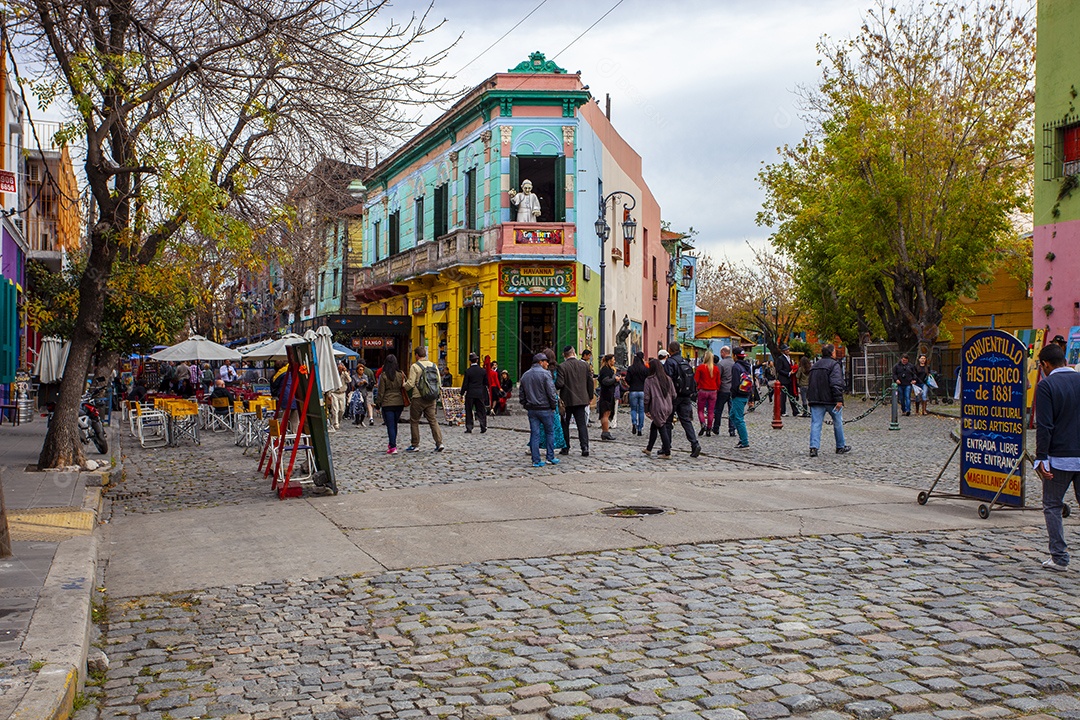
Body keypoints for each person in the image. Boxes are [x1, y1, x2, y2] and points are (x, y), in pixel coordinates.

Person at [1035, 343, 1080, 571]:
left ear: (1045, 364)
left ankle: (1059, 557)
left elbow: (1045, 426)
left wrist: (1041, 458)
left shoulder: (1047, 386)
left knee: (1052, 505)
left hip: (1060, 457)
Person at [806, 344, 851, 457]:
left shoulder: (815, 365)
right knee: (838, 422)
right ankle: (840, 446)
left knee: (816, 423)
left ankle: (814, 447)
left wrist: (810, 398)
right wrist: (839, 399)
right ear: (832, 353)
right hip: (830, 399)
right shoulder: (834, 365)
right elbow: (836, 383)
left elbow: (810, 383)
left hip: (816, 399)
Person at [519, 352, 560, 467]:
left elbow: (521, 394)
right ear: (540, 362)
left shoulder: (525, 375)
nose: (547, 363)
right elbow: (551, 393)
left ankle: (536, 460)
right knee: (549, 432)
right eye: (546, 361)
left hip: (532, 409)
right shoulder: (546, 374)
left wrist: (526, 404)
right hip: (545, 408)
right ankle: (550, 457)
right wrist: (553, 406)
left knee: (535, 434)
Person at [664, 341, 702, 458]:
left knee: (668, 422)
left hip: (673, 395)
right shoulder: (685, 362)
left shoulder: (670, 362)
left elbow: (667, 379)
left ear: (670, 350)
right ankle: (694, 443)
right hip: (685, 395)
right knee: (686, 420)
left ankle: (666, 446)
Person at [404, 346, 444, 452]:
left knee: (414, 421)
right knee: (433, 420)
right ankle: (439, 443)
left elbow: (411, 383)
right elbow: (439, 382)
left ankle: (415, 444)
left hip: (418, 397)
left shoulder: (415, 366)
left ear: (416, 355)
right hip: (431, 397)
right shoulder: (433, 365)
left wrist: (403, 386)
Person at [557, 345, 593, 456]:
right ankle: (585, 447)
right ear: (574, 353)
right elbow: (590, 382)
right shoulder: (584, 365)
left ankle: (566, 447)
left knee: (565, 424)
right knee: (581, 424)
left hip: (567, 400)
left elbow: (560, 384)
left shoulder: (562, 367)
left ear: (564, 355)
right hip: (581, 399)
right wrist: (590, 396)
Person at [642, 356, 675, 458]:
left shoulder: (649, 380)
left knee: (661, 427)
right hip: (668, 406)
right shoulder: (668, 379)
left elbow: (646, 397)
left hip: (657, 406)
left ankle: (667, 452)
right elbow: (674, 394)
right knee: (654, 426)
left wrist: (646, 409)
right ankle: (649, 448)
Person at [375, 354, 407, 454]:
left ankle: (392, 446)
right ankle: (392, 444)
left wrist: (378, 404)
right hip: (399, 402)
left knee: (390, 425)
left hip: (387, 403)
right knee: (394, 424)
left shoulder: (383, 376)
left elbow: (381, 392)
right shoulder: (401, 374)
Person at [730, 347, 753, 449]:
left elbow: (735, 383)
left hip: (738, 395)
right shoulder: (747, 366)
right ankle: (742, 438)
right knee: (732, 415)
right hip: (745, 394)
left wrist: (733, 394)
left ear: (734, 355)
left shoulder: (736, 367)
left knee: (738, 418)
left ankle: (744, 441)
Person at [460, 353, 489, 433]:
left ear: (470, 361)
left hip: (470, 393)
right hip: (479, 393)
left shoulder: (468, 371)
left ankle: (469, 427)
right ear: (477, 360)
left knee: (469, 410)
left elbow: (465, 384)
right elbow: (486, 382)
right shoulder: (482, 371)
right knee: (481, 410)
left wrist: (462, 393)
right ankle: (483, 426)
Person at [694, 350, 720, 437]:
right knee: (711, 411)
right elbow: (718, 382)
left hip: (702, 390)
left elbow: (696, 380)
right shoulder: (715, 368)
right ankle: (709, 428)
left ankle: (703, 424)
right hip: (713, 391)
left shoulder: (700, 368)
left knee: (700, 410)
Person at [712, 346, 735, 437]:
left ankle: (716, 427)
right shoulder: (734, 363)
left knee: (719, 410)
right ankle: (732, 429)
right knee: (732, 410)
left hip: (723, 389)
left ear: (723, 352)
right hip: (732, 389)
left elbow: (718, 377)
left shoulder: (721, 364)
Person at [624, 352, 648, 436]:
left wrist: (630, 384)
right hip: (642, 391)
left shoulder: (631, 368)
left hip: (633, 390)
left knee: (633, 409)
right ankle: (640, 428)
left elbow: (627, 379)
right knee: (641, 410)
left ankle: (634, 422)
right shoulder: (645, 369)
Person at [774, 345, 801, 417]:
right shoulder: (780, 359)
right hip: (783, 380)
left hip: (790, 380)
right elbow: (779, 370)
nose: (788, 351)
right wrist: (788, 373)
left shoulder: (789, 358)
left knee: (791, 395)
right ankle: (783, 411)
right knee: (783, 397)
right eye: (786, 350)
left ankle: (795, 411)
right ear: (783, 351)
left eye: (788, 349)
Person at [597, 354, 618, 441]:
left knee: (606, 413)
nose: (614, 361)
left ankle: (605, 432)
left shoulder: (607, 369)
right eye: (613, 359)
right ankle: (605, 432)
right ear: (609, 361)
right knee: (605, 413)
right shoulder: (606, 370)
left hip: (608, 393)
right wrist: (614, 380)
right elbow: (605, 381)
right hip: (607, 394)